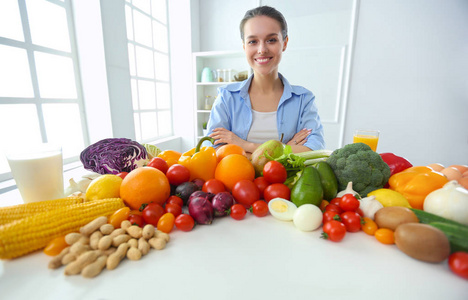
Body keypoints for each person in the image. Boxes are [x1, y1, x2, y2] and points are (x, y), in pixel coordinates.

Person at [207, 5, 325, 155]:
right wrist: (286, 147)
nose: (262, 49)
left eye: (271, 40)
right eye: (253, 41)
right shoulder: (226, 97)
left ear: (285, 43)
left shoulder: (303, 99)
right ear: (244, 46)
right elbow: (214, 151)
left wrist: (245, 145)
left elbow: (314, 149)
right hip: (238, 179)